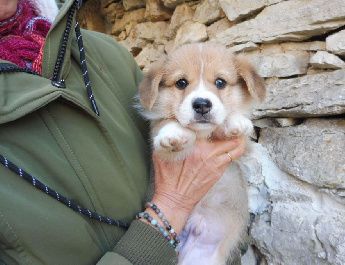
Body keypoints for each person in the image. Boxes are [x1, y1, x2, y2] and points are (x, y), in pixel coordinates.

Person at [0, 0, 246, 264]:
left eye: (219, 82)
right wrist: (171, 208)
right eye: (182, 83)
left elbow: (203, 157)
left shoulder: (104, 52)